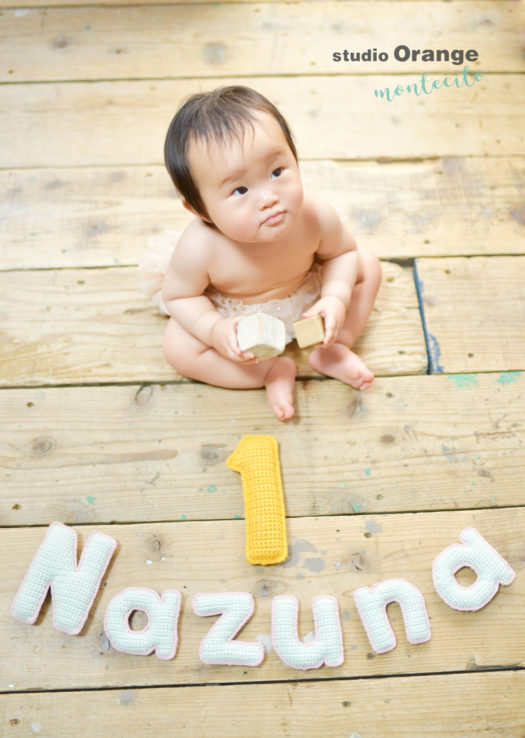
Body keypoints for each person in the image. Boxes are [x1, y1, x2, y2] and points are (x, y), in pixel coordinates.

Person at [158, 86, 381, 421]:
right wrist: (215, 330)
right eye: (240, 190)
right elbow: (179, 297)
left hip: (309, 303)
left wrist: (335, 298)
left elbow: (342, 253)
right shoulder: (199, 247)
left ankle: (335, 346)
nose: (268, 198)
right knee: (177, 346)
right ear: (200, 210)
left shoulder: (314, 214)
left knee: (368, 265)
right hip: (239, 317)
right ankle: (267, 372)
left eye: (277, 171)